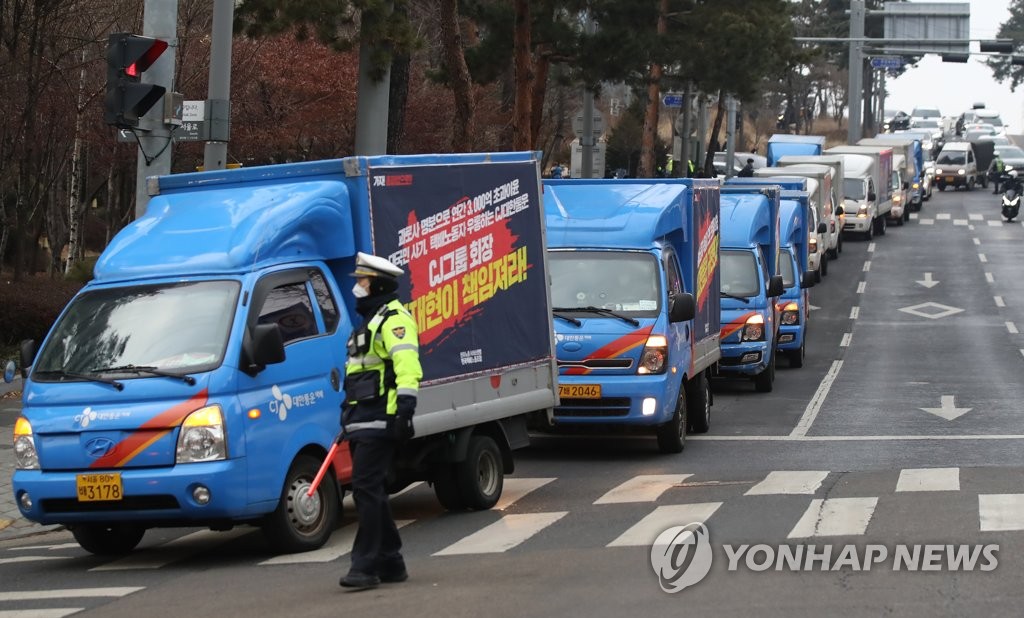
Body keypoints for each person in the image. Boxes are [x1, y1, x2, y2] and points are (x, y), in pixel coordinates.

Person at [339, 252, 422, 591]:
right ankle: (391, 562)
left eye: (362, 281)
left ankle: (365, 566)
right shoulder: (369, 321)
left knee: (365, 488)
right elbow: (360, 371)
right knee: (369, 490)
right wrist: (347, 411)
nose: (357, 287)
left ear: (376, 284)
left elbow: (407, 366)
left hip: (382, 416)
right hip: (362, 417)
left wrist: (404, 410)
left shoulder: (394, 320)